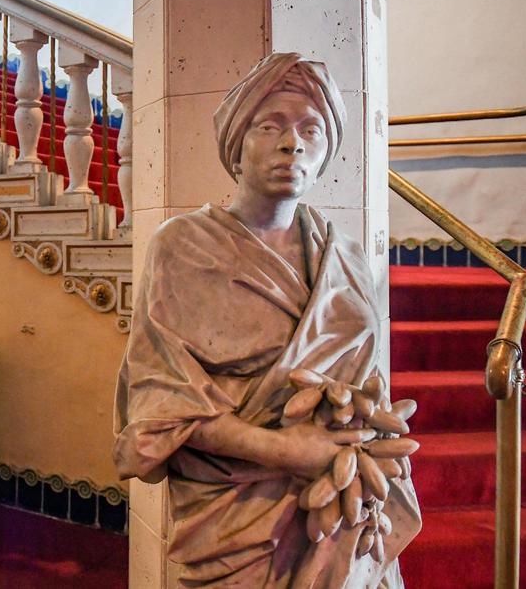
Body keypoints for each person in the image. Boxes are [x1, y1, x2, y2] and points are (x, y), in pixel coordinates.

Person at [113, 53, 420, 587]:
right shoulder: (183, 247)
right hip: (235, 517)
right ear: (237, 145)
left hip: (341, 504)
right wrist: (284, 450)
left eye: (311, 128)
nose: (291, 143)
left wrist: (355, 444)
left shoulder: (348, 257)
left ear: (325, 150)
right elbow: (159, 399)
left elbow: (369, 387)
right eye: (269, 125)